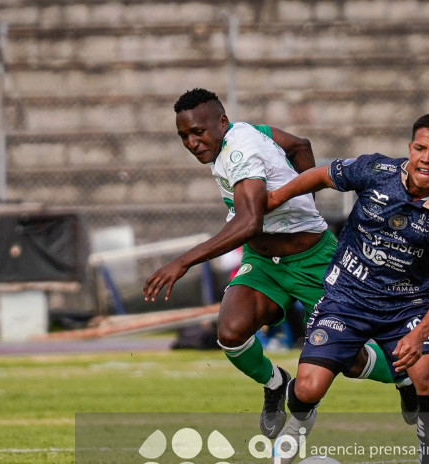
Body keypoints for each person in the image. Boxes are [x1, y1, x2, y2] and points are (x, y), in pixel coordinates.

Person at [143, 88, 398, 440]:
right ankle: (277, 383)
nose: (191, 142)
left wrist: (183, 262)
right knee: (231, 334)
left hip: (313, 261)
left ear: (221, 122)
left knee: (352, 360)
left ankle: (406, 378)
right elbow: (299, 145)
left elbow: (249, 222)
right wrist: (304, 190)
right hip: (263, 263)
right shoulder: (252, 132)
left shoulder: (240, 151)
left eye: (197, 132)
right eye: (183, 136)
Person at [266, 113, 429, 464]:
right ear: (410, 148)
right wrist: (276, 199)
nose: (426, 158)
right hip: (347, 296)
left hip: (407, 307)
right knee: (309, 387)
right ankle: (300, 418)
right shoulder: (375, 170)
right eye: (420, 148)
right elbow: (323, 174)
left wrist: (419, 334)